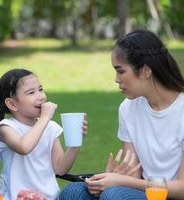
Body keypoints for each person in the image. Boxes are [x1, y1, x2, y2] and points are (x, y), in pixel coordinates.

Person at [59, 29, 184, 200]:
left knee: (114, 195)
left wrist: (122, 182)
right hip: (143, 192)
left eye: (121, 71)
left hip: (170, 196)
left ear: (146, 71)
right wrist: (111, 178)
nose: (116, 79)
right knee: (72, 192)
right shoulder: (128, 108)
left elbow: (182, 189)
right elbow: (132, 172)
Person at [0, 68, 87, 200]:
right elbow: (23, 147)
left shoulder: (50, 127)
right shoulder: (6, 128)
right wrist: (44, 118)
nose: (41, 96)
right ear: (12, 104)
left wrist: (75, 143)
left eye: (40, 89)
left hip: (50, 197)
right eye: (31, 92)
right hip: (17, 197)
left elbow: (60, 168)